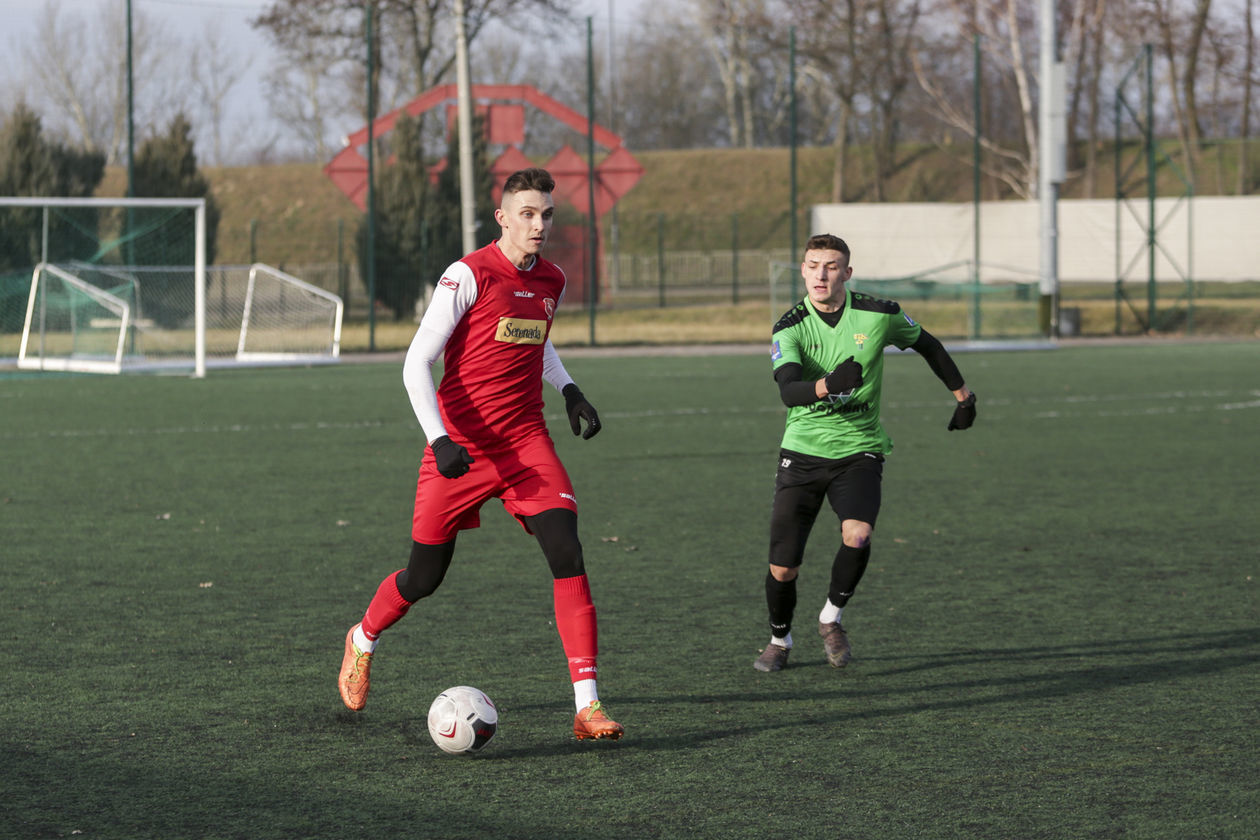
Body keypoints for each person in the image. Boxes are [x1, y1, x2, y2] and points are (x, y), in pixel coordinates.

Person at [338, 167, 623, 741]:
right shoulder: (467, 274)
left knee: (566, 550)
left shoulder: (553, 279)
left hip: (525, 443)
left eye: (546, 214)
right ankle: (363, 637)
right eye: (527, 214)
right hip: (460, 448)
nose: (539, 225)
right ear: (502, 218)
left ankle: (588, 706)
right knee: (424, 577)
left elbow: (538, 341)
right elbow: (416, 362)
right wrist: (439, 438)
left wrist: (569, 390)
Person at [754, 233, 976, 672]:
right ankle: (779, 640)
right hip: (802, 453)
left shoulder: (880, 314)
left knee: (858, 535)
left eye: (831, 266)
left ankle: (830, 618)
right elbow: (789, 391)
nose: (820, 274)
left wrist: (963, 396)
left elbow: (928, 344)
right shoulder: (790, 326)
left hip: (860, 449)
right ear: (803, 271)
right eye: (813, 265)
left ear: (847, 273)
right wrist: (829, 384)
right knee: (783, 568)